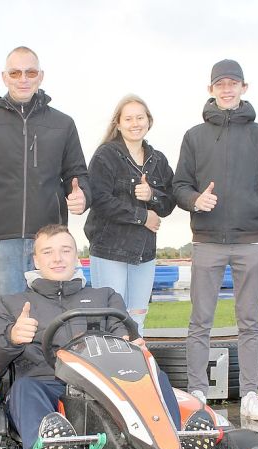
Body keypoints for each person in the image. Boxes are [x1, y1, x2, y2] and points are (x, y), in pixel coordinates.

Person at [0, 225, 187, 449]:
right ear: (36, 260)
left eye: (65, 250)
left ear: (75, 255)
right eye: (48, 252)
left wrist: (130, 345)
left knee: (153, 377)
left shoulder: (106, 297)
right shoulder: (10, 304)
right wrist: (10, 336)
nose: (58, 258)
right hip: (47, 384)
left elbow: (124, 333)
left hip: (105, 384)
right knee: (25, 388)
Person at [171, 59, 258, 420]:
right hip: (206, 241)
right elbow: (179, 186)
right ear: (210, 89)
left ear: (243, 88)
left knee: (249, 322)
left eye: (233, 83)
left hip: (250, 242)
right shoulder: (194, 136)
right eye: (220, 83)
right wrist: (195, 200)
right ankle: (197, 393)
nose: (226, 88)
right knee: (199, 321)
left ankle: (251, 394)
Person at [0, 46, 90, 307]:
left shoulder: (63, 123)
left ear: (41, 76)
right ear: (4, 77)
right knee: (3, 321)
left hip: (50, 243)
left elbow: (78, 174)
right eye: (15, 72)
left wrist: (83, 195)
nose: (23, 79)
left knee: (51, 318)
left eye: (30, 72)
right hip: (0, 244)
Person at [83, 95, 175, 334]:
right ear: (118, 123)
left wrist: (152, 194)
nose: (135, 123)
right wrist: (142, 216)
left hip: (144, 253)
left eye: (140, 118)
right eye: (129, 118)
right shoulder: (105, 156)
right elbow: (100, 200)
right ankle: (111, 368)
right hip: (109, 249)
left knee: (137, 319)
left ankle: (136, 369)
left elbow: (170, 201)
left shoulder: (158, 160)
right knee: (112, 317)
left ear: (149, 121)